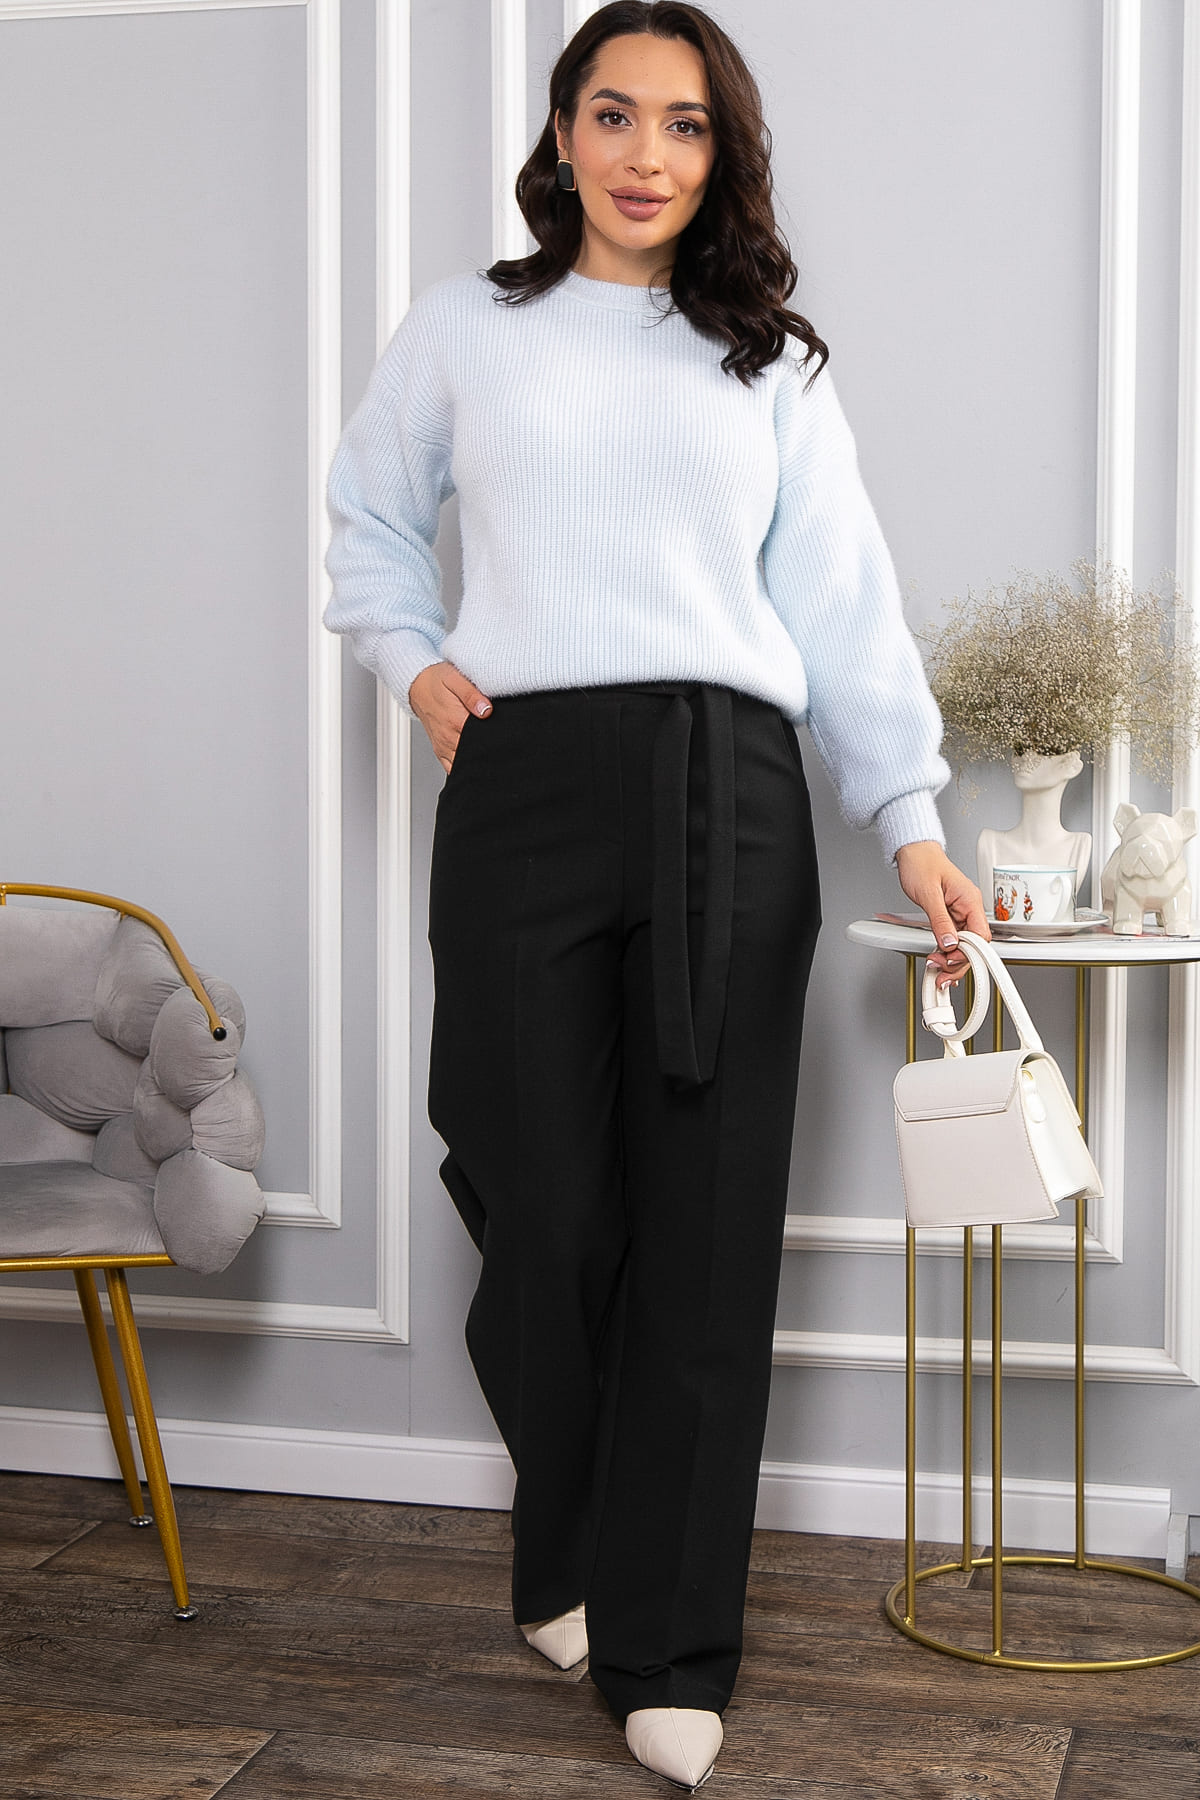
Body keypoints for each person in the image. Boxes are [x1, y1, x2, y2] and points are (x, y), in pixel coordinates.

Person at [324, 3, 988, 1788]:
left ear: (721, 155)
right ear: (561, 136)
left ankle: (670, 1641)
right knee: (532, 1194)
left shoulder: (766, 360)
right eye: (612, 115)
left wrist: (911, 817)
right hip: (524, 778)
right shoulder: (467, 327)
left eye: (684, 126)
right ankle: (570, 1539)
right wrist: (410, 656)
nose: (644, 155)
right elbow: (368, 517)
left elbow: (842, 601)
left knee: (702, 1224)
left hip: (729, 790)